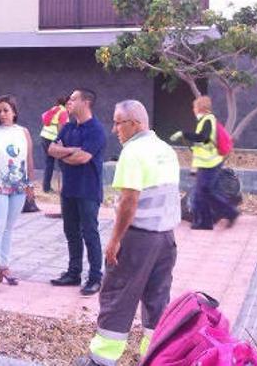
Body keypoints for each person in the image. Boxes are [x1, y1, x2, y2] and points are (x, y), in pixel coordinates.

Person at [74, 100, 181, 366]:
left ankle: (101, 359)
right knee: (158, 299)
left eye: (118, 122)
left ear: (135, 123)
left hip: (138, 239)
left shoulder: (133, 152)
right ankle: (155, 356)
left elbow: (129, 201)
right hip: (166, 238)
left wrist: (115, 240)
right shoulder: (166, 149)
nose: (114, 129)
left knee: (118, 295)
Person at [48, 88, 106, 296]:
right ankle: (74, 274)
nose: (68, 102)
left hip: (88, 190)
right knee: (71, 232)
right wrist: (72, 150)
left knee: (90, 233)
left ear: (86, 103)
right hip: (69, 189)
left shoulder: (96, 130)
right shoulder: (68, 127)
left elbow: (83, 158)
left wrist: (66, 153)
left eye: (73, 99)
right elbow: (51, 149)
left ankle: (95, 278)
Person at [0, 95, 35, 292]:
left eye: (6, 110)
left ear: (14, 112)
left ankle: (4, 266)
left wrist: (30, 184)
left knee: (9, 228)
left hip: (18, 187)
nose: (2, 114)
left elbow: (29, 159)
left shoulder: (24, 132)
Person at [169, 96, 239, 230]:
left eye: (194, 107)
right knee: (203, 192)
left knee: (205, 191)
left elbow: (203, 138)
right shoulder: (205, 121)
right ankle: (205, 222)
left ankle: (229, 213)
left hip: (211, 164)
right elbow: (202, 145)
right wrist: (194, 168)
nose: (193, 110)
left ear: (200, 108)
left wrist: (184, 134)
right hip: (207, 164)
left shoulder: (208, 120)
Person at [40, 96, 69, 193]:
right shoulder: (63, 112)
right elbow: (61, 128)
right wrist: (62, 142)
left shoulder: (54, 109)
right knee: (63, 163)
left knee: (49, 163)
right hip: (53, 139)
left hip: (44, 137)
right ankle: (66, 187)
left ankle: (46, 187)